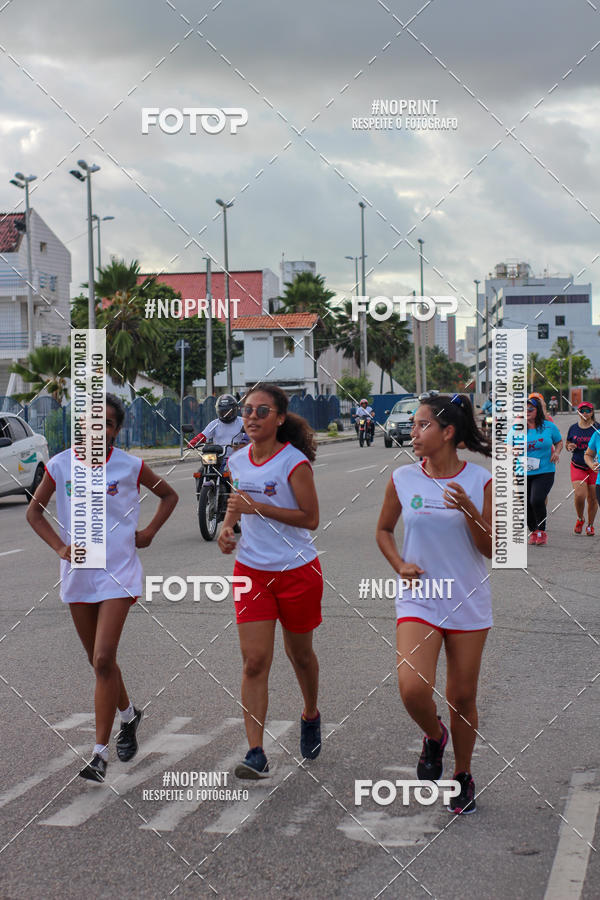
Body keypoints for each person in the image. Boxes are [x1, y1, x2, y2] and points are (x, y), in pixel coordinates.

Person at [26, 394, 178, 782]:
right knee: (100, 662)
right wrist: (60, 547)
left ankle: (98, 754)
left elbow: (169, 495)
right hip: (79, 576)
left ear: (116, 430)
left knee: (104, 657)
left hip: (119, 573)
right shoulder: (60, 465)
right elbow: (34, 512)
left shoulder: (130, 466)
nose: (100, 430)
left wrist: (149, 532)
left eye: (108, 424)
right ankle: (129, 715)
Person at [376, 393, 492, 815]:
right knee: (412, 689)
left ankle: (462, 775)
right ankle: (433, 735)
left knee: (462, 697)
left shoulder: (480, 481)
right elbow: (384, 531)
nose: (414, 430)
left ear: (448, 433)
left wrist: (469, 511)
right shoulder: (403, 478)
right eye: (414, 424)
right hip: (419, 599)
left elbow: (493, 548)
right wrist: (400, 564)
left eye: (423, 424)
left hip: (467, 599)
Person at [217, 383, 323, 779]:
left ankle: (310, 712)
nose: (252, 417)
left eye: (263, 411)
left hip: (297, 571)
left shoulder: (293, 463)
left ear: (279, 418)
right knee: (255, 661)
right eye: (247, 410)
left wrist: (256, 508)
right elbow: (234, 505)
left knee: (300, 656)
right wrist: (227, 530)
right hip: (252, 572)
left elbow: (310, 519)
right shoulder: (238, 460)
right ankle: (256, 752)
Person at [509, 398, 563, 545]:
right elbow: (506, 446)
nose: (527, 412)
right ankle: (533, 531)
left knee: (536, 500)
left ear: (538, 410)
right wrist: (512, 449)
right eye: (524, 409)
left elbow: (559, 442)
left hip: (545, 470)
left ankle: (541, 531)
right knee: (526, 503)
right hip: (522, 471)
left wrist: (557, 452)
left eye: (530, 409)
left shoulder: (549, 427)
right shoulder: (516, 428)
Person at [188, 394, 248, 467]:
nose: (226, 414)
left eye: (228, 412)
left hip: (237, 457)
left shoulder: (243, 422)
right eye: (223, 412)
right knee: (203, 470)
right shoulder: (214, 423)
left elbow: (250, 436)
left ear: (234, 410)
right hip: (218, 458)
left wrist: (244, 443)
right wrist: (194, 442)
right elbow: (203, 435)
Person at [566, 402, 599, 536]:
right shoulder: (573, 428)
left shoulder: (598, 429)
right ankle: (580, 519)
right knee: (580, 495)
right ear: (578, 412)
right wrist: (569, 446)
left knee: (593, 498)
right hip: (578, 465)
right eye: (582, 410)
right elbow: (568, 442)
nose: (585, 413)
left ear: (592, 412)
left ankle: (590, 525)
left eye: (588, 410)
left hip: (595, 468)